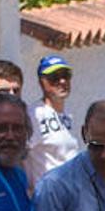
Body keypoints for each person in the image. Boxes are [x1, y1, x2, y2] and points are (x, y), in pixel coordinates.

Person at [25, 56, 79, 187]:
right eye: (55, 77)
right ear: (42, 82)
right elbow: (23, 156)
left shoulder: (68, 116)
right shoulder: (35, 114)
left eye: (66, 75)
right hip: (47, 196)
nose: (62, 81)